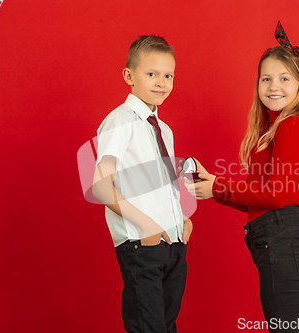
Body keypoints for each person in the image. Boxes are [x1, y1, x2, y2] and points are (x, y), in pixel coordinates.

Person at [183, 22, 299, 332]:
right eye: (266, 79)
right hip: (279, 240)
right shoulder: (277, 128)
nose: (274, 86)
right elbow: (263, 195)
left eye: (285, 79)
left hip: (284, 241)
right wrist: (214, 188)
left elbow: (274, 197)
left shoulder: (291, 126)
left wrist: (220, 187)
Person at [92, 35, 192, 333]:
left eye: (168, 75)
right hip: (142, 242)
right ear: (129, 76)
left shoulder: (164, 129)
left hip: (173, 243)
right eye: (151, 74)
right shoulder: (121, 121)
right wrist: (146, 226)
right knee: (149, 328)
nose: (161, 82)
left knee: (167, 325)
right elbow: (100, 185)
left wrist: (182, 221)